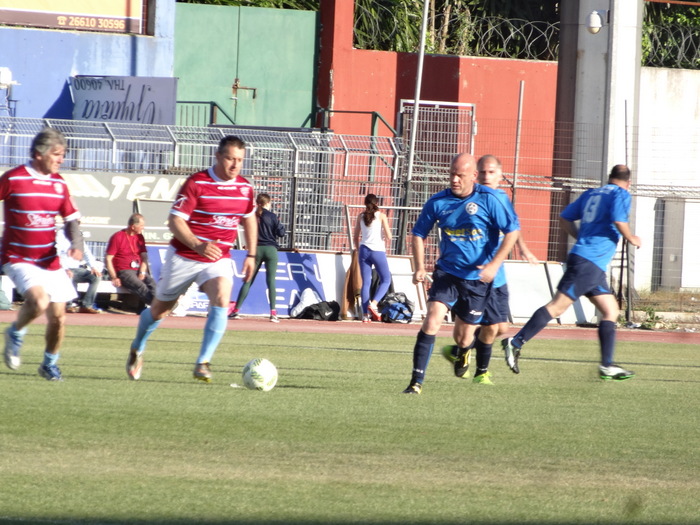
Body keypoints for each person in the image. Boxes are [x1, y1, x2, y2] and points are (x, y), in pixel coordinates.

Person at [125, 135, 257, 382]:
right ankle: (137, 346)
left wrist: (251, 253)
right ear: (217, 157)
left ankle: (203, 362)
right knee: (160, 311)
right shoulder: (197, 183)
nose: (235, 165)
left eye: (239, 160)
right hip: (184, 256)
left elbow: (249, 218)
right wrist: (198, 245)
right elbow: (175, 221)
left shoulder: (245, 188)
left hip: (217, 258)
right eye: (230, 158)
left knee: (222, 294)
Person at [501, 164, 642, 381]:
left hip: (590, 263)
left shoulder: (592, 193)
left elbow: (564, 217)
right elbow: (618, 219)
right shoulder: (621, 194)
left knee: (611, 310)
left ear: (609, 177)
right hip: (589, 263)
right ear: (628, 183)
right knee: (557, 307)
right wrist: (631, 237)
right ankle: (515, 342)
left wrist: (580, 237)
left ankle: (607, 365)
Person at [403, 152, 520, 394]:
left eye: (460, 175)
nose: (454, 180)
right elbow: (418, 234)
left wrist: (494, 265)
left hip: (476, 280)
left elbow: (512, 232)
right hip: (447, 273)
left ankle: (464, 352)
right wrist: (419, 266)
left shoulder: (489, 200)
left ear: (473, 176)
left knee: (464, 338)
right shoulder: (438, 202)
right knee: (432, 320)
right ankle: (416, 383)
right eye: (451, 175)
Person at [442, 155, 538, 380]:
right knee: (488, 326)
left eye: (491, 172)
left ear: (500, 176)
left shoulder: (500, 198)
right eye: (483, 172)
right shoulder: (473, 199)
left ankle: (460, 350)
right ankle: (480, 372)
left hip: (497, 274)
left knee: (500, 328)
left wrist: (524, 249)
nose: (487, 176)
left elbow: (513, 227)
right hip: (475, 275)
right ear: (476, 174)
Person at [1, 127, 84, 381]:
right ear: (39, 153)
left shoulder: (59, 183)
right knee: (39, 302)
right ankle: (15, 332)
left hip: (49, 260)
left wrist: (77, 244)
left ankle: (49, 364)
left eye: (63, 155)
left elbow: (71, 220)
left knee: (59, 318)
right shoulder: (14, 178)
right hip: (18, 257)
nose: (61, 160)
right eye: (57, 154)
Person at [228, 193, 286, 322]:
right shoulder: (272, 216)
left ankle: (236, 311)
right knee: (271, 282)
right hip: (271, 250)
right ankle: (273, 313)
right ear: (268, 203)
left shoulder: (253, 215)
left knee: (248, 281)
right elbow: (281, 233)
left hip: (256, 249)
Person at [352, 194, 393, 323]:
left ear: (365, 203)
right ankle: (374, 304)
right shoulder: (381, 216)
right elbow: (389, 236)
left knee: (366, 282)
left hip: (364, 250)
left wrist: (358, 249)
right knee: (386, 279)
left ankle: (365, 314)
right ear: (376, 203)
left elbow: (355, 236)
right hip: (377, 250)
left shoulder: (360, 216)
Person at [105, 213, 156, 307]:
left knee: (152, 283)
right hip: (124, 271)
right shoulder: (118, 237)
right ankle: (159, 308)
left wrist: (142, 272)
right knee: (140, 286)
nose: (143, 228)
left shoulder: (140, 237)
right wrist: (114, 277)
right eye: (141, 225)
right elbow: (108, 259)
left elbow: (144, 257)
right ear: (133, 227)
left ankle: (164, 306)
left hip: (138, 269)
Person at [56, 227, 104, 314]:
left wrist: (93, 267)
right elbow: (56, 255)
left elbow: (87, 253)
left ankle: (86, 306)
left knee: (96, 277)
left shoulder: (78, 236)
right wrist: (65, 269)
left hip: (76, 269)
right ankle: (68, 305)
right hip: (61, 270)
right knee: (69, 275)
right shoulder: (60, 235)